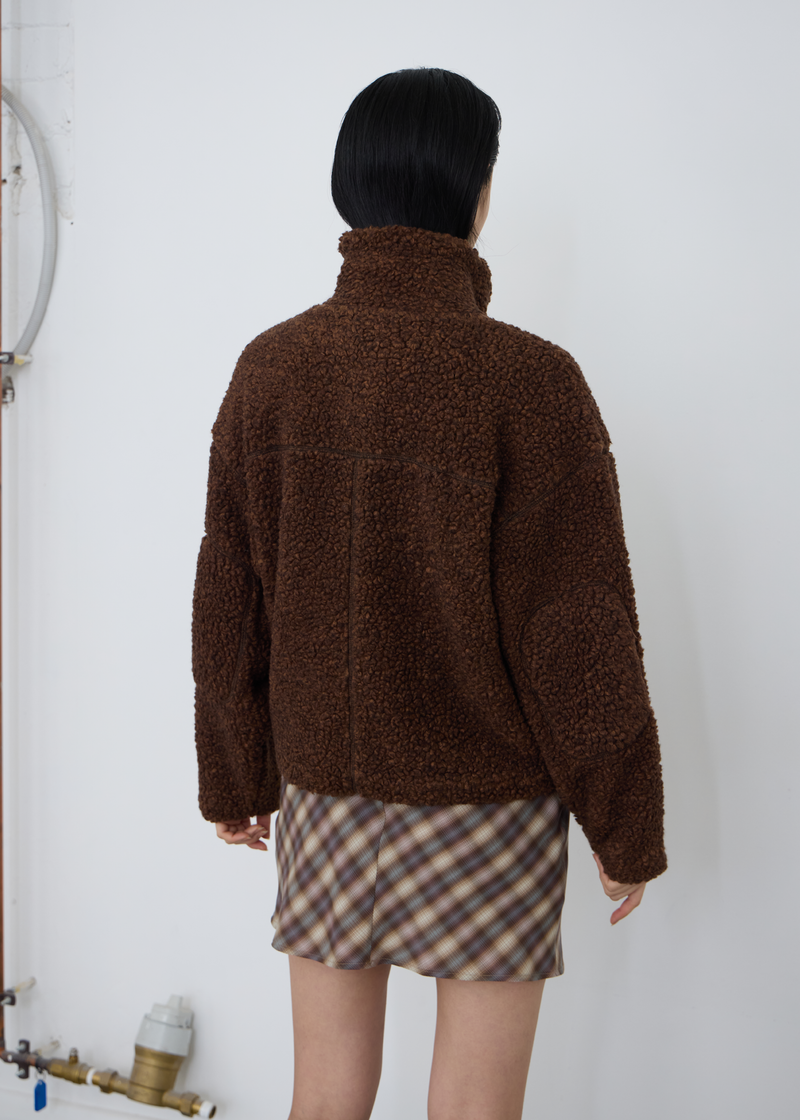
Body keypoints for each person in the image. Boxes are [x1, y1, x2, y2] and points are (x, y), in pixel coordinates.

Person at [192, 67, 666, 1120]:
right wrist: (623, 818)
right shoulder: (531, 380)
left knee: (324, 1096)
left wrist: (235, 770)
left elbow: (230, 590)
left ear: (352, 184)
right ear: (474, 193)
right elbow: (577, 630)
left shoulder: (271, 368)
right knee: (474, 1108)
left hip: (326, 792)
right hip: (487, 805)